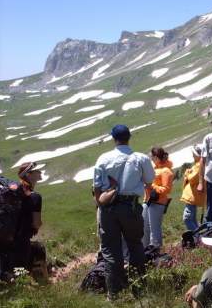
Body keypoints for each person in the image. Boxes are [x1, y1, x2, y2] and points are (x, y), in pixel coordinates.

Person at [93, 124, 155, 299]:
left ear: (114, 139)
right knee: (135, 245)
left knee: (111, 250)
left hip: (108, 208)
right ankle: (139, 289)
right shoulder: (141, 158)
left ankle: (115, 292)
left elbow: (96, 186)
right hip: (131, 206)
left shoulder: (103, 159)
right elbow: (149, 181)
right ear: (129, 137)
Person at [142, 147, 174, 249]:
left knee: (154, 228)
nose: (151, 158)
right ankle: (144, 249)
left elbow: (166, 189)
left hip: (157, 202)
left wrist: (151, 186)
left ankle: (155, 250)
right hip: (147, 201)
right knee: (145, 227)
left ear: (156, 157)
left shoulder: (166, 171)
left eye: (152, 156)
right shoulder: (155, 169)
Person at [180, 144, 207, 231]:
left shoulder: (199, 165)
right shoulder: (198, 164)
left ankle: (197, 237)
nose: (192, 155)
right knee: (192, 218)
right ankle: (198, 237)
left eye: (193, 154)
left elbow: (192, 178)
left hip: (193, 195)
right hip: (193, 195)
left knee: (187, 218)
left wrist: (187, 173)